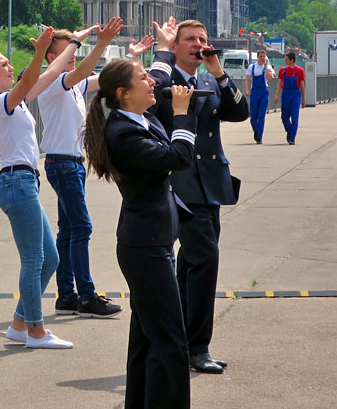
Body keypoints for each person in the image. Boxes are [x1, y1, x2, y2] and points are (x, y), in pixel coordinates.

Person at [0, 23, 118, 349]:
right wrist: (40, 52)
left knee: (52, 258)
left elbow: (48, 73)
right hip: (17, 182)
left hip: (25, 181)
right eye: (3, 65)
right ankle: (36, 332)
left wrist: (74, 41)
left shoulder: (11, 98)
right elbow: (31, 78)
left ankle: (19, 324)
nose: (10, 67)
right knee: (33, 261)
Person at [84, 57, 196, 409]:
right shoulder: (123, 132)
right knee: (171, 343)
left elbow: (160, 75)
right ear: (123, 94)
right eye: (143, 78)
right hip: (144, 247)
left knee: (147, 339)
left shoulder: (138, 118)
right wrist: (181, 115)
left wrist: (164, 50)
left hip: (152, 240)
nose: (151, 82)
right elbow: (179, 157)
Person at [148, 17, 249, 374]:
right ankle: (199, 345)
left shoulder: (208, 79)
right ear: (174, 48)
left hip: (211, 184)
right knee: (205, 259)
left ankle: (183, 343)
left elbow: (240, 112)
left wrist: (219, 71)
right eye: (189, 39)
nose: (197, 44)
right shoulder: (162, 83)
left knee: (191, 265)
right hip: (181, 183)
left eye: (202, 39)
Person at [39, 20, 147, 318]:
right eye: (67, 51)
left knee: (68, 230)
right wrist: (100, 43)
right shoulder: (53, 83)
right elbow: (84, 72)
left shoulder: (72, 85)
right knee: (82, 228)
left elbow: (104, 79)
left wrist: (133, 57)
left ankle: (66, 297)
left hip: (70, 163)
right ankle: (86, 296)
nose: (73, 55)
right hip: (62, 163)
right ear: (51, 58)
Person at [274, 51, 306, 145]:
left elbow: (302, 86)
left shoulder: (300, 71)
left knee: (294, 117)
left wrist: (304, 99)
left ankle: (292, 138)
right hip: (286, 94)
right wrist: (276, 95)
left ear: (292, 60)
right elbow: (279, 83)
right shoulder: (282, 70)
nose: (285, 60)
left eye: (287, 59)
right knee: (284, 117)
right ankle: (290, 130)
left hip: (295, 95)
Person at [244, 49, 274, 144]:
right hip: (254, 92)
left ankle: (259, 136)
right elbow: (247, 80)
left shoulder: (267, 67)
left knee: (261, 115)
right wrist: (247, 90)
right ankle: (256, 131)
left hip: (264, 92)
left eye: (264, 56)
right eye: (261, 56)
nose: (262, 58)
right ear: (257, 57)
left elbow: (270, 79)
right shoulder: (252, 67)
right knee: (253, 117)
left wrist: (266, 69)